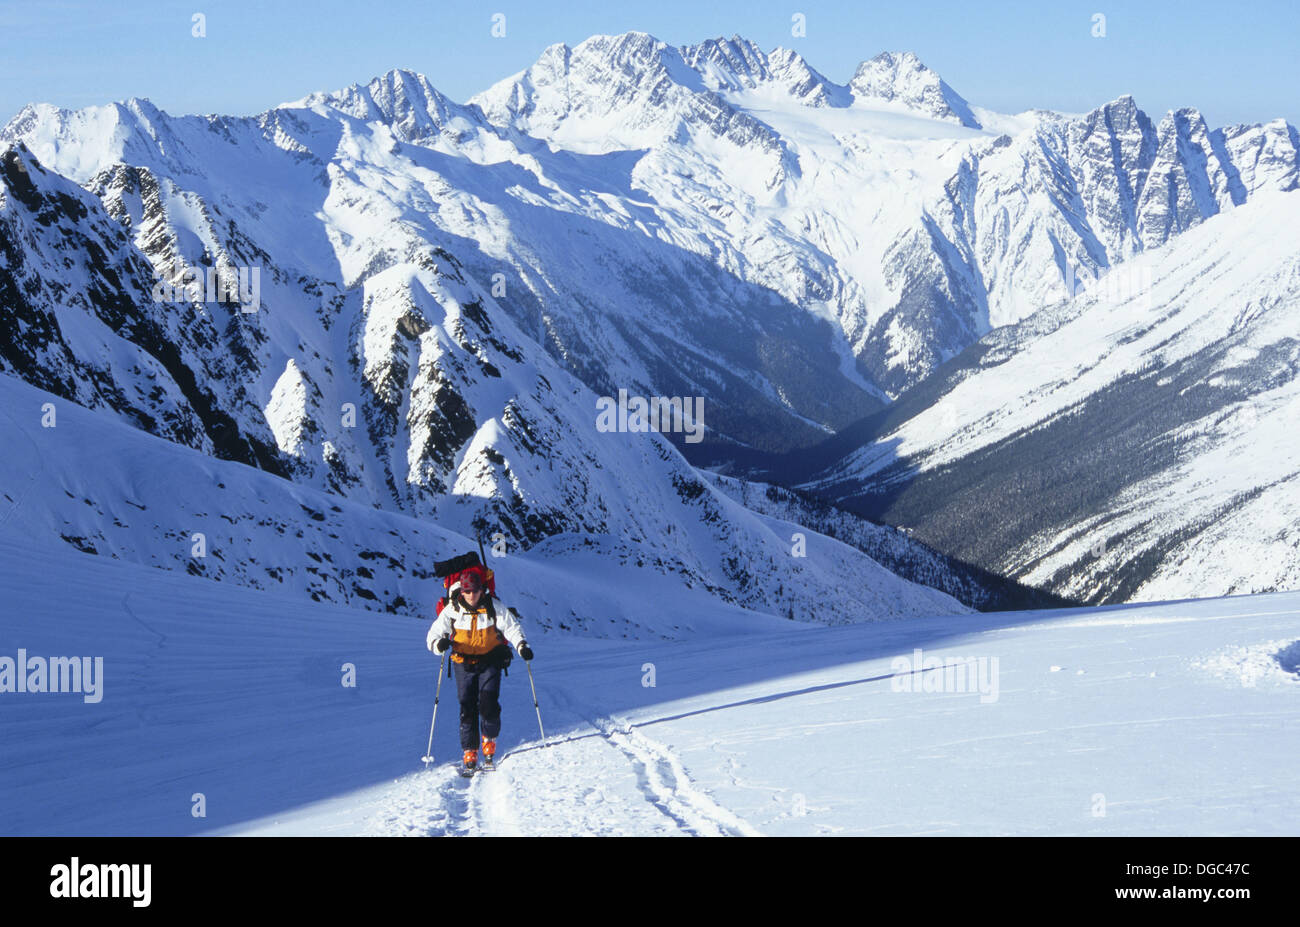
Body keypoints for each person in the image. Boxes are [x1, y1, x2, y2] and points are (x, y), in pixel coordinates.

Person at [426, 565, 533, 770]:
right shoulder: (453, 610)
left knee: (488, 702)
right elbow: (433, 634)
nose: (472, 595)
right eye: (467, 591)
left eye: (475, 590)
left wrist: (522, 646)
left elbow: (511, 627)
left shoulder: (493, 606)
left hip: (490, 661)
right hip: (462, 662)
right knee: (467, 706)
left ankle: (489, 739)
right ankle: (470, 750)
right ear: (462, 591)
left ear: (481, 589)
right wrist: (438, 645)